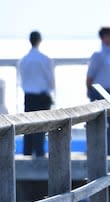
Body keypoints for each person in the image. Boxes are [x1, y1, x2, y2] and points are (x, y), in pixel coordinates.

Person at [18, 30, 55, 158]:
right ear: (39, 40)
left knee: (27, 127)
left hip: (28, 96)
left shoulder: (23, 60)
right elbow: (50, 80)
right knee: (41, 125)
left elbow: (21, 80)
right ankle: (39, 153)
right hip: (42, 96)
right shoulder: (45, 59)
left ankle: (27, 153)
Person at [86, 26, 110, 155]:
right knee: (99, 124)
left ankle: (107, 151)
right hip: (100, 92)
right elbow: (89, 77)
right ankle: (97, 151)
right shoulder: (98, 55)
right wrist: (90, 93)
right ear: (104, 37)